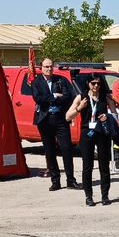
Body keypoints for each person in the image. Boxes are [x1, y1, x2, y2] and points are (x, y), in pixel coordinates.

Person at [29, 58, 78, 191]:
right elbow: (38, 98)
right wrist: (54, 96)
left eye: (51, 66)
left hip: (60, 119)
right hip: (45, 120)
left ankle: (71, 180)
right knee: (50, 151)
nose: (49, 69)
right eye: (46, 66)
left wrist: (55, 98)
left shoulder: (60, 80)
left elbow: (69, 96)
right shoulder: (36, 82)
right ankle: (55, 180)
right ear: (41, 68)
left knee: (67, 149)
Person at [67, 77, 116, 206]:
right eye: (93, 83)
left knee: (104, 165)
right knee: (87, 166)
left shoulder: (105, 97)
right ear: (88, 84)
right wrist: (79, 108)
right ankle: (88, 196)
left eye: (98, 84)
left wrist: (108, 116)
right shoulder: (81, 97)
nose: (96, 86)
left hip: (101, 132)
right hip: (87, 132)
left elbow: (115, 114)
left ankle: (105, 196)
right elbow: (67, 116)